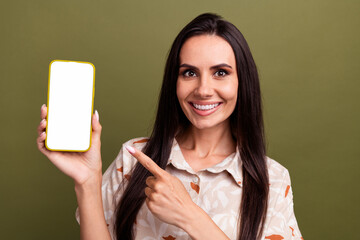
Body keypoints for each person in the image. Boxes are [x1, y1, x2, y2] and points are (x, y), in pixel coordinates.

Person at [37, 13, 303, 240]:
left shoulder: (273, 180)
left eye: (220, 72)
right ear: (174, 82)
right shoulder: (133, 158)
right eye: (189, 73)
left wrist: (191, 217)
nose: (203, 89)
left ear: (242, 81)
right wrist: (87, 182)